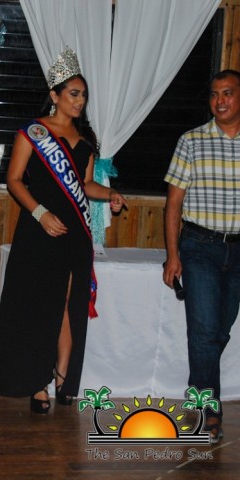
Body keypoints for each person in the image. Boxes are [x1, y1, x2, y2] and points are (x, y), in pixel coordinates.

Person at [0, 48, 127, 414]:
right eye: (73, 94)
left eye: (83, 95)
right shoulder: (33, 133)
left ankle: (62, 376)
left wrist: (109, 193)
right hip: (39, 229)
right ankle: (37, 383)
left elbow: (84, 186)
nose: (80, 101)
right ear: (55, 96)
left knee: (69, 305)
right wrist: (39, 213)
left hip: (74, 234)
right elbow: (15, 181)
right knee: (40, 305)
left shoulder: (85, 141)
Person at [162, 69, 240, 444]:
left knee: (219, 331)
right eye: (213, 95)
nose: (219, 101)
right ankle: (211, 407)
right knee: (204, 332)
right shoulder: (191, 141)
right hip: (199, 247)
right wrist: (172, 256)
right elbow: (173, 203)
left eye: (227, 93)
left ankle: (198, 383)